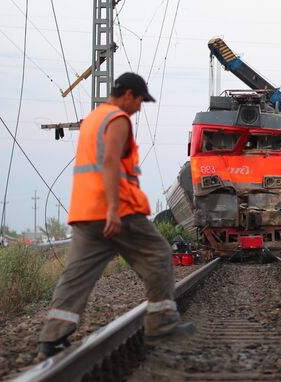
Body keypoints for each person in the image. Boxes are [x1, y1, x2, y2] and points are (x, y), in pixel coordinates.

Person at [38, 73, 195, 359]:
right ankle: (160, 323)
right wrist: (112, 209)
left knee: (77, 274)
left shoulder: (93, 119)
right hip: (117, 210)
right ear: (128, 94)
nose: (139, 108)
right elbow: (109, 161)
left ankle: (53, 335)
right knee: (158, 255)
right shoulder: (117, 120)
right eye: (139, 101)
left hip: (86, 211)